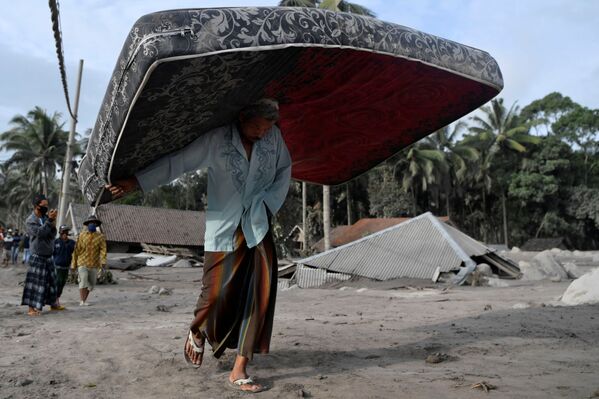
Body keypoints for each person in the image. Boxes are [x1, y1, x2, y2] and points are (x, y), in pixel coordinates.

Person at [107, 98, 291, 393]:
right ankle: (198, 329)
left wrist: (268, 204)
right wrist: (136, 182)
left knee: (261, 292)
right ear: (242, 117)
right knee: (216, 292)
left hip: (258, 224)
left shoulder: (274, 139)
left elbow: (285, 170)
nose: (261, 134)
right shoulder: (217, 140)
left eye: (267, 129)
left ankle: (240, 368)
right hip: (225, 227)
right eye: (257, 127)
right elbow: (177, 163)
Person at [21, 194, 60, 316]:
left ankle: (54, 304)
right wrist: (49, 221)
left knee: (52, 281)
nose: (46, 208)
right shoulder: (30, 220)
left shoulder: (45, 218)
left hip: (48, 255)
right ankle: (31, 309)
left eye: (47, 206)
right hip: (37, 255)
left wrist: (52, 222)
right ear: (36, 206)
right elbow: (40, 233)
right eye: (43, 206)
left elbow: (52, 234)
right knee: (35, 284)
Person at [71, 215, 106, 306]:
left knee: (91, 283)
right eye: (91, 223)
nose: (92, 224)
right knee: (83, 279)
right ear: (87, 224)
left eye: (94, 223)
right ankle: (82, 301)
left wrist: (103, 262)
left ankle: (84, 300)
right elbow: (76, 250)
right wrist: (73, 264)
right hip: (82, 262)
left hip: (94, 263)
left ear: (96, 225)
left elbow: (103, 250)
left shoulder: (100, 237)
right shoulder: (82, 235)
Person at [53, 225, 76, 308]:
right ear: (60, 233)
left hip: (66, 268)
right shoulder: (55, 242)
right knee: (57, 283)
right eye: (63, 232)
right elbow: (52, 254)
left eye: (66, 232)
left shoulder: (72, 243)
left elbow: (76, 254)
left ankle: (56, 299)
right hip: (57, 267)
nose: (65, 234)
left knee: (62, 284)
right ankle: (55, 301)